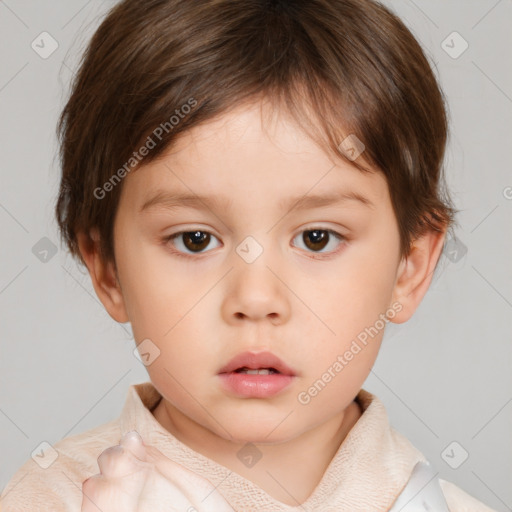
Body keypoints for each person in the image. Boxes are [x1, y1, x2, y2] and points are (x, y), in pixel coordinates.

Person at [0, 0, 498, 510]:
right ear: (107, 269)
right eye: (195, 239)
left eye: (317, 238)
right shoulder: (48, 498)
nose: (256, 300)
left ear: (409, 268)